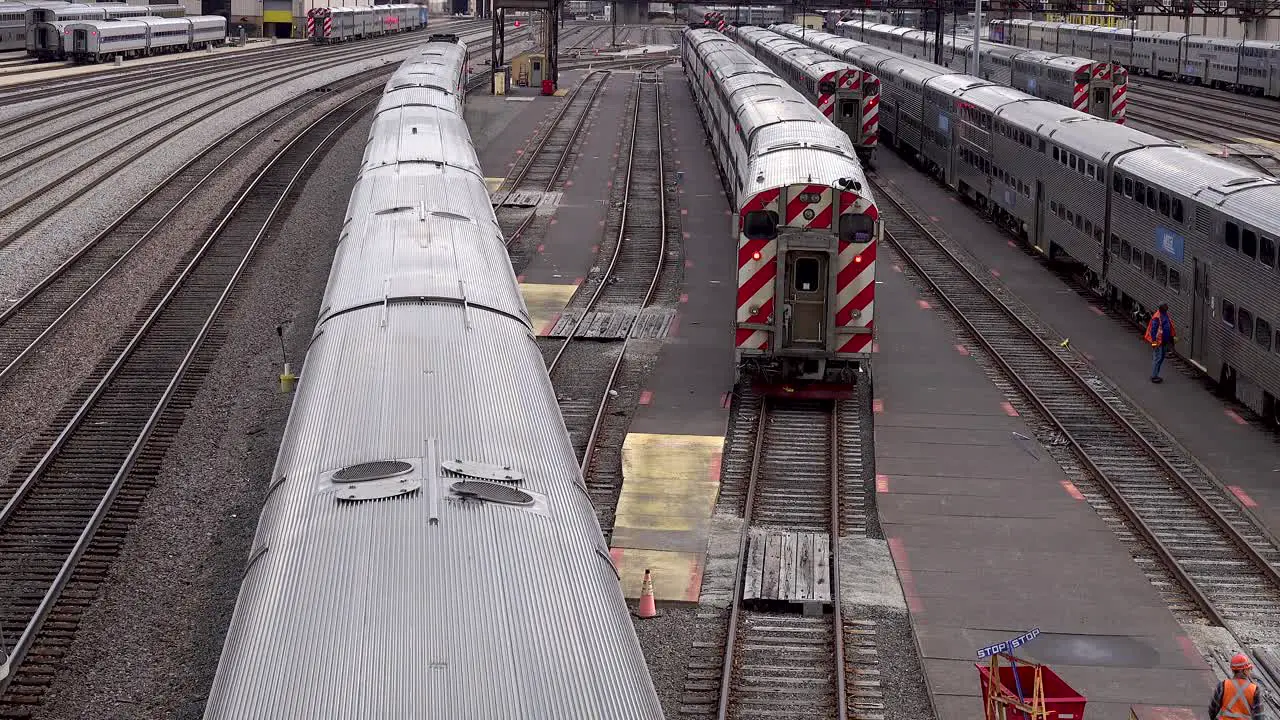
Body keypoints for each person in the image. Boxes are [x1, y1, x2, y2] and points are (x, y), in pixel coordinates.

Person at [1209, 653, 1265, 719]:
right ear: (1244, 670)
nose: (1250, 671)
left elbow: (1213, 709)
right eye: (1249, 669)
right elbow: (1259, 716)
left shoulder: (1223, 685)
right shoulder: (1254, 689)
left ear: (1233, 670)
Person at [1145, 303, 1177, 383]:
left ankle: (1156, 375)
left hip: (1164, 341)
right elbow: (1153, 331)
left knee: (1161, 358)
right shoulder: (1157, 317)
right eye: (1166, 308)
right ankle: (1154, 376)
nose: (1167, 309)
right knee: (1157, 358)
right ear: (1162, 309)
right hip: (1159, 342)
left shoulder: (1164, 314)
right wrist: (1154, 344)